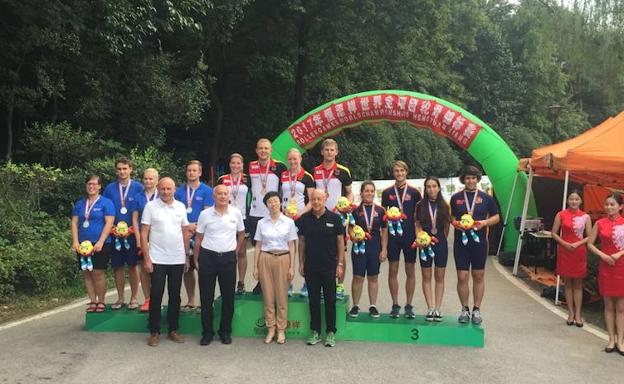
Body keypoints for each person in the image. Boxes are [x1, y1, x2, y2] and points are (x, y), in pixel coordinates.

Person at [193, 184, 245, 346]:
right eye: (219, 194)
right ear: (214, 196)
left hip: (228, 258)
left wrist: (235, 251)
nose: (222, 196)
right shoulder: (205, 214)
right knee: (206, 297)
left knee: (228, 297)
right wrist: (196, 259)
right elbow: (199, 238)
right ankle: (207, 333)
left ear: (228, 196)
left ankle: (225, 331)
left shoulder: (235, 213)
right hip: (208, 257)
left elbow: (241, 234)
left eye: (225, 194)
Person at [141, 177, 190, 347]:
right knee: (156, 295)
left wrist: (186, 256)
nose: (166, 192)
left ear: (174, 190)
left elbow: (185, 232)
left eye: (169, 189)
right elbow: (144, 233)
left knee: (175, 295)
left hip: (176, 258)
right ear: (158, 189)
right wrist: (146, 258)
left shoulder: (181, 207)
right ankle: (154, 331)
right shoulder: (150, 206)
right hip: (157, 258)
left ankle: (173, 330)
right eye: (162, 189)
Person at [449, 165, 499, 325]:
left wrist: (485, 222)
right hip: (461, 243)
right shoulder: (456, 197)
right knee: (462, 276)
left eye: (473, 178)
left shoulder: (486, 198)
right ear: (463, 179)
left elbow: (496, 217)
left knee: (478, 275)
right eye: (467, 178)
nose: (470, 181)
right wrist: (455, 223)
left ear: (478, 179)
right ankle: (464, 309)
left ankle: (476, 309)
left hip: (479, 243)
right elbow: (451, 218)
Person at [297, 189, 345, 347]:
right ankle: (315, 331)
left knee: (330, 300)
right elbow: (302, 243)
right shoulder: (304, 219)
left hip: (329, 266)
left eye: (319, 199)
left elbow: (340, 243)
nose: (316, 202)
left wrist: (340, 264)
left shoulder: (335, 218)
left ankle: (331, 332)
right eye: (313, 199)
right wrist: (301, 263)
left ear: (325, 199)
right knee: (314, 300)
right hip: (311, 266)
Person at [253, 192, 298, 344]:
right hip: (265, 258)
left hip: (283, 258)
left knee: (281, 296)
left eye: (276, 201)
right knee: (268, 296)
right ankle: (270, 328)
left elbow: (292, 245)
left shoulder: (289, 222)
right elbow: (258, 245)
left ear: (280, 202)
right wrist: (255, 267)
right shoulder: (261, 223)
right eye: (270, 202)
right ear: (266, 205)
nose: (274, 204)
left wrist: (292, 266)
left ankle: (281, 330)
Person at [381, 160, 422, 318]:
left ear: (407, 172)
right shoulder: (386, 192)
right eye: (396, 171)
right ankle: (395, 304)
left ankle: (409, 305)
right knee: (393, 270)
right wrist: (383, 245)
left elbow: (418, 217)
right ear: (393, 173)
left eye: (402, 171)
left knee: (410, 271)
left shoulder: (414, 192)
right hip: (393, 237)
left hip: (410, 236)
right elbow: (384, 218)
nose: (399, 173)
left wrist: (419, 236)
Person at [313, 138, 353, 300]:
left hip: (337, 217)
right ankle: (320, 285)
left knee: (339, 252)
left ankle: (340, 285)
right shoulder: (315, 170)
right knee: (319, 251)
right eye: (326, 150)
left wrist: (346, 205)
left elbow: (350, 192)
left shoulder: (343, 171)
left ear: (336, 152)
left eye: (332, 150)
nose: (329, 152)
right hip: (318, 215)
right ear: (322, 152)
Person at [103, 157, 144, 310]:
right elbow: (106, 210)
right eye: (119, 169)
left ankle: (134, 298)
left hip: (133, 234)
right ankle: (120, 298)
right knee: (117, 267)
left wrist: (134, 229)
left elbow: (141, 211)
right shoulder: (109, 189)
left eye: (125, 168)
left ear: (130, 169)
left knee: (133, 266)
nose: (122, 171)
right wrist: (113, 229)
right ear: (116, 170)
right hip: (115, 235)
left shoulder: (139, 187)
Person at [248, 138, 288, 294]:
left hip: (273, 214)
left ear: (270, 150)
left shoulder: (279, 167)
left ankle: (278, 281)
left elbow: (285, 188)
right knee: (259, 249)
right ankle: (260, 281)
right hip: (255, 214)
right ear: (257, 150)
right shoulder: (251, 166)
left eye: (266, 148)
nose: (263, 151)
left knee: (274, 247)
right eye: (260, 148)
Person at [71, 175, 115, 313]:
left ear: (100, 186)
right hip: (83, 243)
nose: (91, 187)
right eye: (89, 184)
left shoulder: (106, 203)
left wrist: (101, 241)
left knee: (97, 272)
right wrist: (75, 242)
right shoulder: (79, 204)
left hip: (100, 243)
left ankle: (101, 301)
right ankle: (92, 301)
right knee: (87, 272)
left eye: (94, 184)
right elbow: (74, 223)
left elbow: (109, 223)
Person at [587, 193, 624, 354]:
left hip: (621, 266)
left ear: (620, 206)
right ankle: (610, 339)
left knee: (621, 307)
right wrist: (602, 255)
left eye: (613, 204)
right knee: (608, 305)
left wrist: (619, 254)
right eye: (607, 204)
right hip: (606, 266)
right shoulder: (600, 223)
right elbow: (590, 244)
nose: (609, 207)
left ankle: (621, 340)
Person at [174, 160, 214, 311]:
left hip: (201, 235)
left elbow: (208, 213)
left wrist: (196, 227)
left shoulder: (207, 190)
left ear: (200, 172)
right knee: (187, 269)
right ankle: (191, 300)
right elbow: (175, 212)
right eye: (189, 170)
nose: (191, 173)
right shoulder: (178, 191)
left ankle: (205, 302)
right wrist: (186, 227)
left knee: (203, 269)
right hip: (183, 234)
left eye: (194, 170)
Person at [550, 190, 592, 326]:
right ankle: (570, 313)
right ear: (567, 201)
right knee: (567, 284)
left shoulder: (586, 217)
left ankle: (578, 315)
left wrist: (577, 243)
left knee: (578, 285)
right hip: (565, 250)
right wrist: (564, 243)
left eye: (576, 199)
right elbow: (554, 233)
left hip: (579, 251)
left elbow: (590, 236)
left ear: (581, 201)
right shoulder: (561, 214)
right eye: (571, 199)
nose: (574, 201)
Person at [348, 181, 388, 318]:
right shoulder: (355, 211)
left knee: (373, 276)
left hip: (375, 247)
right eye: (366, 191)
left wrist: (384, 250)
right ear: (361, 193)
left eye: (372, 191)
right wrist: (353, 237)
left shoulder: (381, 210)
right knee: (358, 276)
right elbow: (351, 228)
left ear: (374, 193)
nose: (369, 193)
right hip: (359, 247)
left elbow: (385, 231)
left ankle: (373, 305)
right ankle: (355, 305)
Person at [414, 176, 450, 321]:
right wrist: (420, 238)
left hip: (440, 242)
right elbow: (417, 224)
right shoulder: (420, 205)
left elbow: (447, 227)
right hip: (424, 244)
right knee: (427, 276)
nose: (431, 189)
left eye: (434, 186)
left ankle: (438, 308)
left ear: (439, 188)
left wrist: (441, 239)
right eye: (428, 187)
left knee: (439, 277)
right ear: (425, 189)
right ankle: (430, 308)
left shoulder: (445, 205)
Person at [280, 148, 314, 297]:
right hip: (286, 217)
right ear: (288, 160)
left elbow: (312, 200)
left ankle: (306, 283)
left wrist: (300, 213)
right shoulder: (283, 175)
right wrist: (283, 211)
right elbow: (280, 196)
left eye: (295, 159)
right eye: (290, 159)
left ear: (300, 159)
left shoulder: (307, 177)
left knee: (303, 249)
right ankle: (288, 283)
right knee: (287, 250)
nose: (293, 162)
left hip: (303, 217)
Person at [217, 153, 251, 295]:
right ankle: (227, 282)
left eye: (238, 163)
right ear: (229, 164)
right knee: (227, 251)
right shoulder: (222, 179)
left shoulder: (247, 179)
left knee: (241, 251)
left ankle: (241, 282)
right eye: (233, 163)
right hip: (226, 218)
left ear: (242, 165)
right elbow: (217, 196)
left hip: (243, 218)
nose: (236, 166)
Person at [131, 168, 159, 313]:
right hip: (143, 236)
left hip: (160, 238)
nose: (148, 181)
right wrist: (138, 239)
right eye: (146, 178)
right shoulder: (138, 197)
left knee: (158, 269)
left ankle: (157, 299)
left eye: (151, 179)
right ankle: (148, 299)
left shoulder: (163, 194)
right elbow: (135, 220)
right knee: (143, 267)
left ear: (157, 180)